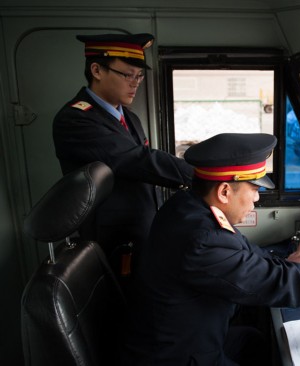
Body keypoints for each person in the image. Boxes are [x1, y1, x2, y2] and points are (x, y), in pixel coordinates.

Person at [122, 133, 300, 365]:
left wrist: (286, 258)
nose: (257, 199)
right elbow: (273, 283)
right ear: (224, 192)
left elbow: (242, 252)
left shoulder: (187, 206)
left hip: (184, 336)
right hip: (175, 356)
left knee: (255, 341)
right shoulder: (201, 237)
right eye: (254, 189)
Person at [52, 33, 194, 272]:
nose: (135, 82)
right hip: (112, 241)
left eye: (139, 76)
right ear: (97, 70)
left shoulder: (129, 117)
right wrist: (200, 173)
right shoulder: (76, 119)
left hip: (141, 232)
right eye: (128, 75)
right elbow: (136, 160)